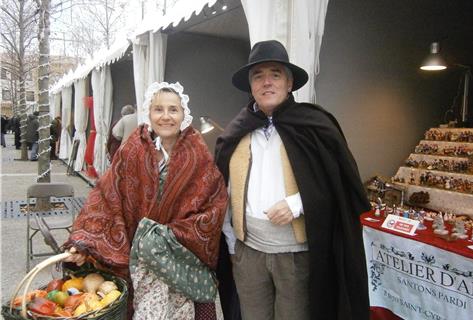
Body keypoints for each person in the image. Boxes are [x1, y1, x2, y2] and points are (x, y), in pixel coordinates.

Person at [215, 40, 371, 320]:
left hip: (296, 255)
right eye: (258, 76)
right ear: (251, 86)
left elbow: (338, 184)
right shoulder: (237, 131)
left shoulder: (314, 125)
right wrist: (231, 245)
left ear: (289, 83)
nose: (267, 82)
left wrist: (297, 204)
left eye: (275, 74)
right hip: (247, 253)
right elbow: (222, 192)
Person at [64, 82, 228, 320]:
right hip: (140, 263)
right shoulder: (132, 150)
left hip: (182, 263)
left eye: (173, 109)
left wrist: (168, 236)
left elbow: (214, 205)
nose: (166, 116)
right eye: (158, 109)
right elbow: (107, 197)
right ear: (148, 114)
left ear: (184, 114)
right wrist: (83, 241)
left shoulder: (198, 154)